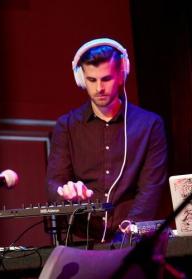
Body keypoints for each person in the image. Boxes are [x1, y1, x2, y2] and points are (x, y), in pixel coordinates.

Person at [46, 38, 168, 242]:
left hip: (134, 241)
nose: (99, 88)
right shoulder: (66, 126)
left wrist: (126, 235)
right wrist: (65, 193)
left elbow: (150, 189)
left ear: (122, 74)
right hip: (84, 241)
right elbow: (54, 183)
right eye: (91, 80)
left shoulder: (150, 125)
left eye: (106, 79)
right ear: (81, 79)